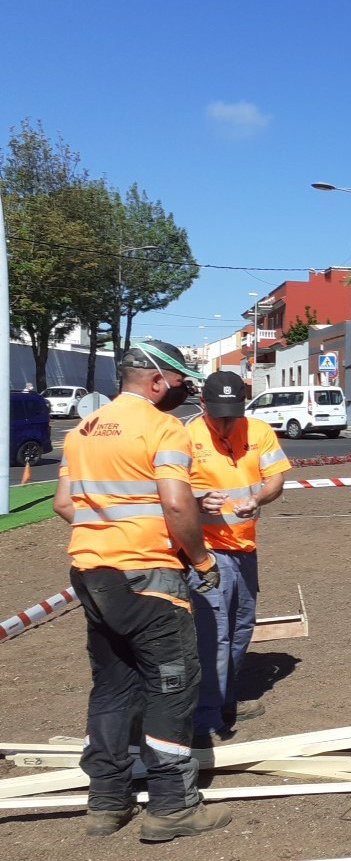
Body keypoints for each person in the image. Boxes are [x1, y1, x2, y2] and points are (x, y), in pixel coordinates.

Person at [53, 341, 232, 843]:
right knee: (172, 685)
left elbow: (67, 504)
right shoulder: (163, 427)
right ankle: (172, 807)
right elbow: (175, 507)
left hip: (92, 572)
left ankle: (106, 803)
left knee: (113, 687)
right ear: (156, 381)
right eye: (178, 384)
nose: (181, 392)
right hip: (148, 577)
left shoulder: (83, 430)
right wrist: (201, 558)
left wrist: (120, 525)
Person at [185, 371, 291, 739]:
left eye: (234, 414)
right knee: (213, 633)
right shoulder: (185, 436)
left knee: (241, 627)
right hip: (206, 549)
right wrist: (198, 502)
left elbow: (276, 477)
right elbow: (165, 494)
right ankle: (206, 716)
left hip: (245, 547)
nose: (228, 423)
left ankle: (223, 699)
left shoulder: (258, 430)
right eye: (219, 415)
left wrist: (258, 498)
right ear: (202, 405)